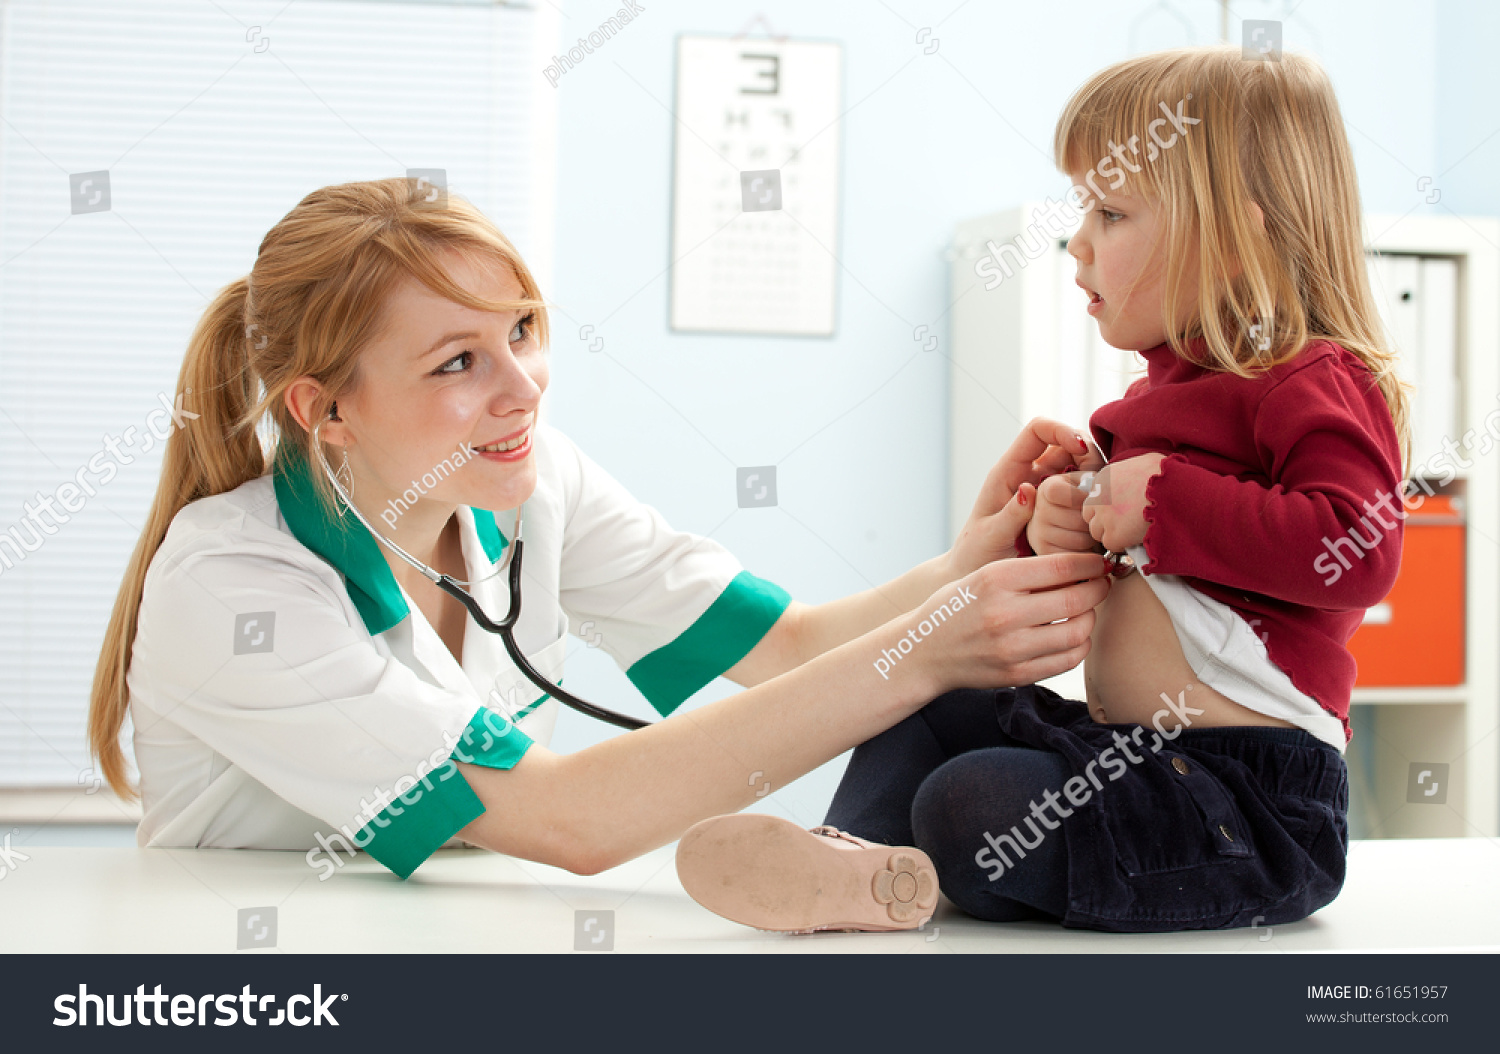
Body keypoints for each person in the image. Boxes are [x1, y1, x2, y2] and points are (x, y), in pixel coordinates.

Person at [87, 177, 1113, 881]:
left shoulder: (534, 485)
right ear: (325, 410)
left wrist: (967, 565)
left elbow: (787, 647)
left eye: (522, 331)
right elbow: (566, 817)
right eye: (457, 362)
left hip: (446, 937)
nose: (522, 387)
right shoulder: (231, 584)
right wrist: (926, 653)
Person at [677, 44, 1408, 934]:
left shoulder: (1315, 381)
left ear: (1239, 237)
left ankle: (928, 863)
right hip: (1127, 760)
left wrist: (1166, 503)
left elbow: (1361, 549)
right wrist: (1068, 527)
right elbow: (1139, 588)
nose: (1078, 243)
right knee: (933, 697)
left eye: (1110, 210)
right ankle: (852, 862)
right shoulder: (1150, 403)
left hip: (1250, 797)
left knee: (975, 801)